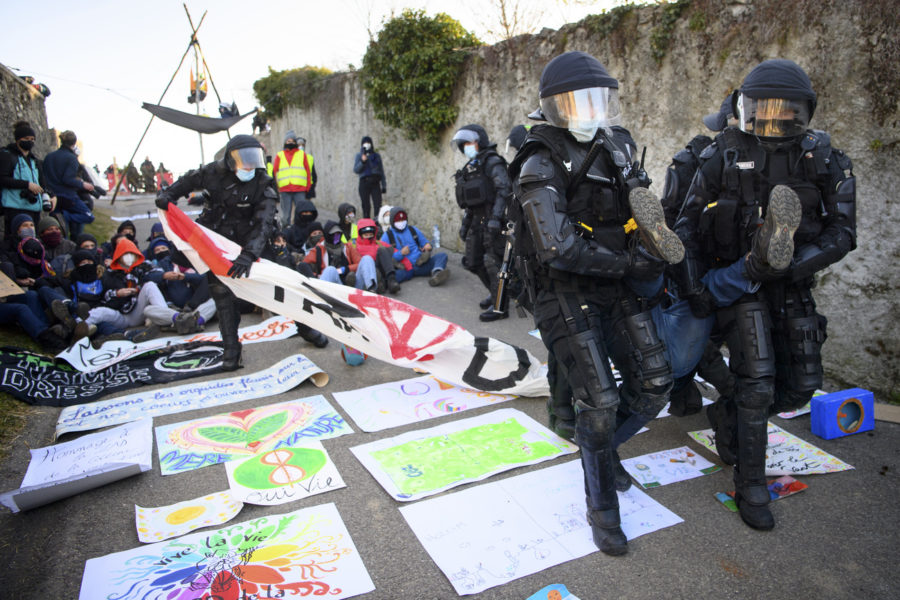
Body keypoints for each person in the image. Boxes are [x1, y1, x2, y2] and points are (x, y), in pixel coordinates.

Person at [508, 51, 685, 556]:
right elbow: (557, 247)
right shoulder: (539, 160)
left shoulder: (619, 145)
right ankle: (602, 507)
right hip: (564, 290)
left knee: (656, 383)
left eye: (597, 99)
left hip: (618, 281)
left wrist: (649, 244)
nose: (588, 110)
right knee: (601, 402)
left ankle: (601, 452)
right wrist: (630, 264)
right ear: (553, 106)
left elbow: (642, 206)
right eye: (576, 101)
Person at [674, 59, 856, 531]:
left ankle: (727, 412)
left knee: (802, 383)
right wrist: (695, 286)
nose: (774, 117)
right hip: (741, 284)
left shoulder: (823, 156)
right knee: (755, 385)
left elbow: (842, 232)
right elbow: (686, 226)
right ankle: (751, 485)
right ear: (746, 108)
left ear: (804, 110)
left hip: (792, 283)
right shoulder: (722, 152)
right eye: (764, 108)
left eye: (786, 109)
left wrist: (789, 264)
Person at [156, 134, 327, 368]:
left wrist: (249, 254)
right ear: (230, 159)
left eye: (253, 158)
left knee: (284, 284)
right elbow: (188, 181)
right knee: (222, 293)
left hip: (254, 241)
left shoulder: (263, 182)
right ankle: (231, 350)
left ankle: (306, 328)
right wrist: (168, 195)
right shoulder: (212, 172)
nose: (248, 165)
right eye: (243, 158)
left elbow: (264, 223)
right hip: (218, 240)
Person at [450, 124, 511, 321]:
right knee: (472, 262)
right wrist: (465, 225)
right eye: (463, 145)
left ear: (480, 141)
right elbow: (471, 202)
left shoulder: (492, 162)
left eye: (469, 143)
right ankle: (495, 293)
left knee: (492, 263)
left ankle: (500, 307)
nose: (466, 147)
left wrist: (496, 219)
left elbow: (504, 190)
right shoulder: (472, 167)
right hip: (477, 220)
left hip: (493, 219)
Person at [1, 121, 52, 237]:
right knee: (14, 239)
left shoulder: (34, 160)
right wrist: (27, 185)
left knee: (32, 240)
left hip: (33, 208)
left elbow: (42, 182)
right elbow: (3, 179)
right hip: (15, 207)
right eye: (27, 138)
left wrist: (50, 195)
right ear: (18, 139)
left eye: (33, 139)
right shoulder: (7, 156)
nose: (30, 141)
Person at [42, 130, 95, 239]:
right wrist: (82, 184)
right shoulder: (71, 158)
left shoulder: (49, 157)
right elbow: (68, 179)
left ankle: (64, 221)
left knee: (61, 231)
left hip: (53, 197)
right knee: (88, 216)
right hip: (68, 196)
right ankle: (66, 217)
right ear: (74, 143)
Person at [381, 207, 450, 287]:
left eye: (403, 220)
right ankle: (382, 285)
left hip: (420, 264)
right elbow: (385, 258)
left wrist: (427, 246)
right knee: (393, 276)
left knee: (442, 256)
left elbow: (424, 242)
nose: (401, 223)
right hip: (404, 268)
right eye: (398, 221)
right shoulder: (387, 236)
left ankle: (436, 274)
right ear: (392, 221)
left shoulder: (412, 229)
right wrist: (401, 253)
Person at [272, 130, 316, 228]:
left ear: (295, 142)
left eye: (292, 141)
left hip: (299, 189)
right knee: (286, 216)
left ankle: (301, 231)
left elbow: (308, 172)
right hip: (285, 189)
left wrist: (308, 187)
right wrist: (277, 187)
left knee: (301, 213)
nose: (290, 143)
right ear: (285, 142)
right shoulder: (280, 155)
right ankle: (286, 232)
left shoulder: (302, 155)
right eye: (288, 141)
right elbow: (275, 172)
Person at [353, 218, 401, 294]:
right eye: (366, 235)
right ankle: (379, 285)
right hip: (366, 273)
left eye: (371, 234)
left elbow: (397, 252)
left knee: (383, 250)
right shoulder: (354, 247)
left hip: (381, 269)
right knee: (369, 261)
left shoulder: (378, 243)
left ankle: (391, 280)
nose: (369, 237)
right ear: (361, 235)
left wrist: (403, 260)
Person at [353, 136, 387, 219]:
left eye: (368, 142)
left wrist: (384, 185)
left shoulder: (376, 156)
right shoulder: (359, 155)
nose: (367, 144)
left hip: (375, 182)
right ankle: (366, 222)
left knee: (377, 205)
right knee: (366, 206)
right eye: (365, 143)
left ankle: (377, 222)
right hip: (364, 182)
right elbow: (356, 170)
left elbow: (381, 171)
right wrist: (362, 161)